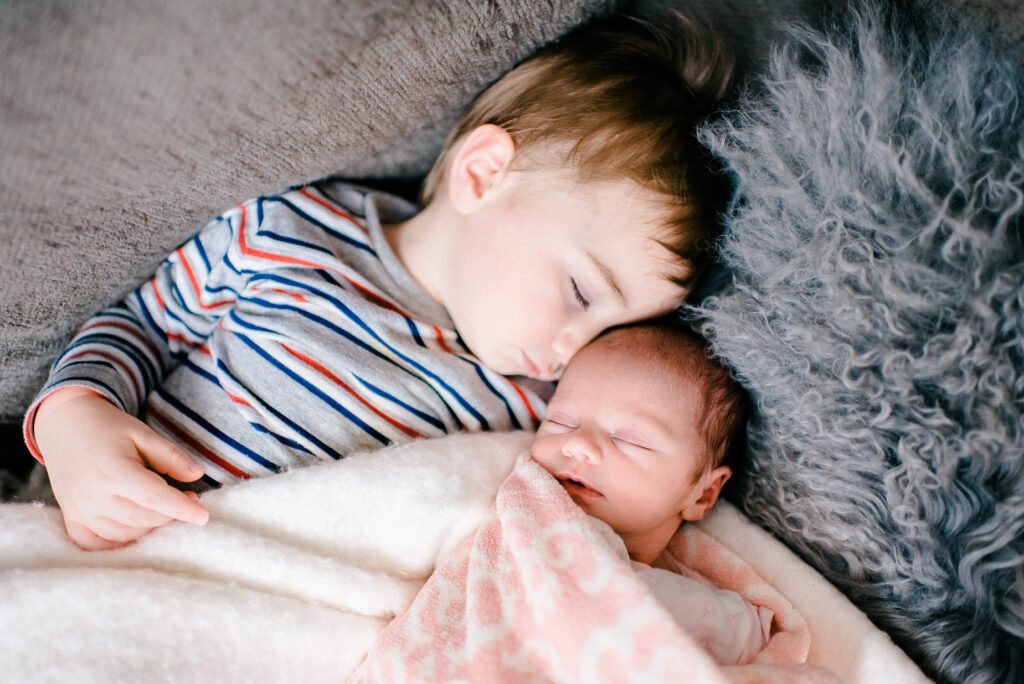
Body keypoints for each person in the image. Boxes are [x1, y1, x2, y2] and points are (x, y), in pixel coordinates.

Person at [23, 10, 736, 550]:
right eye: (581, 293)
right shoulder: (286, 233)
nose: (572, 350)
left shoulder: (534, 408)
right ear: (484, 174)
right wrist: (73, 419)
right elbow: (144, 326)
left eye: (615, 328)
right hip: (116, 536)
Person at [530, 320, 767, 664]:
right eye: (560, 422)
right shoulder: (502, 501)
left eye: (631, 441)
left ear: (702, 494)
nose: (577, 444)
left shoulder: (710, 618)